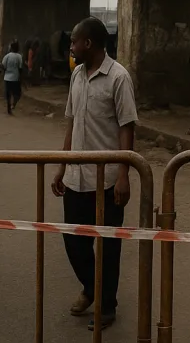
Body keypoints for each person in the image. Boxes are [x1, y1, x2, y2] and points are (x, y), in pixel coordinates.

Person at [51, 17, 137, 331]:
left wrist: (124, 174)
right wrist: (62, 166)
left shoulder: (118, 77)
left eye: (74, 42)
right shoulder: (76, 75)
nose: (71, 48)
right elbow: (71, 123)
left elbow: (127, 127)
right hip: (76, 177)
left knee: (109, 245)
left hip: (108, 180)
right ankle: (92, 289)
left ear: (88, 43)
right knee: (74, 240)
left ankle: (107, 306)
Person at [1, 40, 24, 115]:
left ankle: (9, 109)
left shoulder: (7, 56)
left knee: (8, 95)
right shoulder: (19, 56)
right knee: (17, 94)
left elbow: (3, 66)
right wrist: (21, 78)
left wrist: (4, 73)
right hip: (15, 78)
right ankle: (13, 105)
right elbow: (20, 68)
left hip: (7, 78)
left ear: (11, 48)